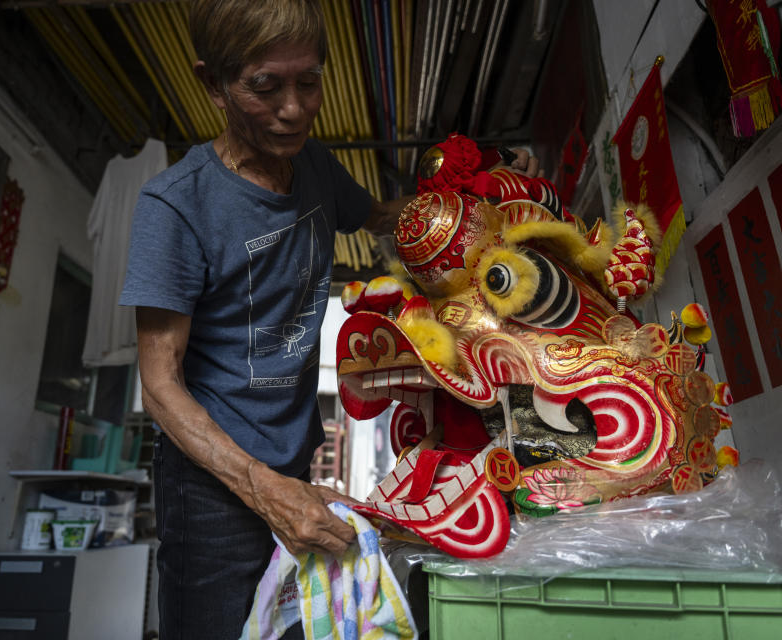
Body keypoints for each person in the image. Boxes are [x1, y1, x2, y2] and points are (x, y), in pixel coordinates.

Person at [119, 2, 537, 637]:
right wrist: (261, 488)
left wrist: (480, 190)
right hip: (210, 482)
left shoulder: (312, 166)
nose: (294, 109)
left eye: (308, 82)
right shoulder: (175, 206)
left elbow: (379, 216)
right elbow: (160, 385)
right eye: (265, 87)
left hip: (291, 459)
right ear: (213, 85)